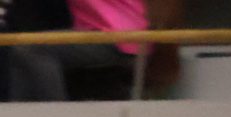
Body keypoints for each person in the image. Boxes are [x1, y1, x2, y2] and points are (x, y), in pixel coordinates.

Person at [12, 0, 147, 101]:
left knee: (32, 49)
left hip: (118, 37)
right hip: (122, 35)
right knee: (19, 51)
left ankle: (54, 113)